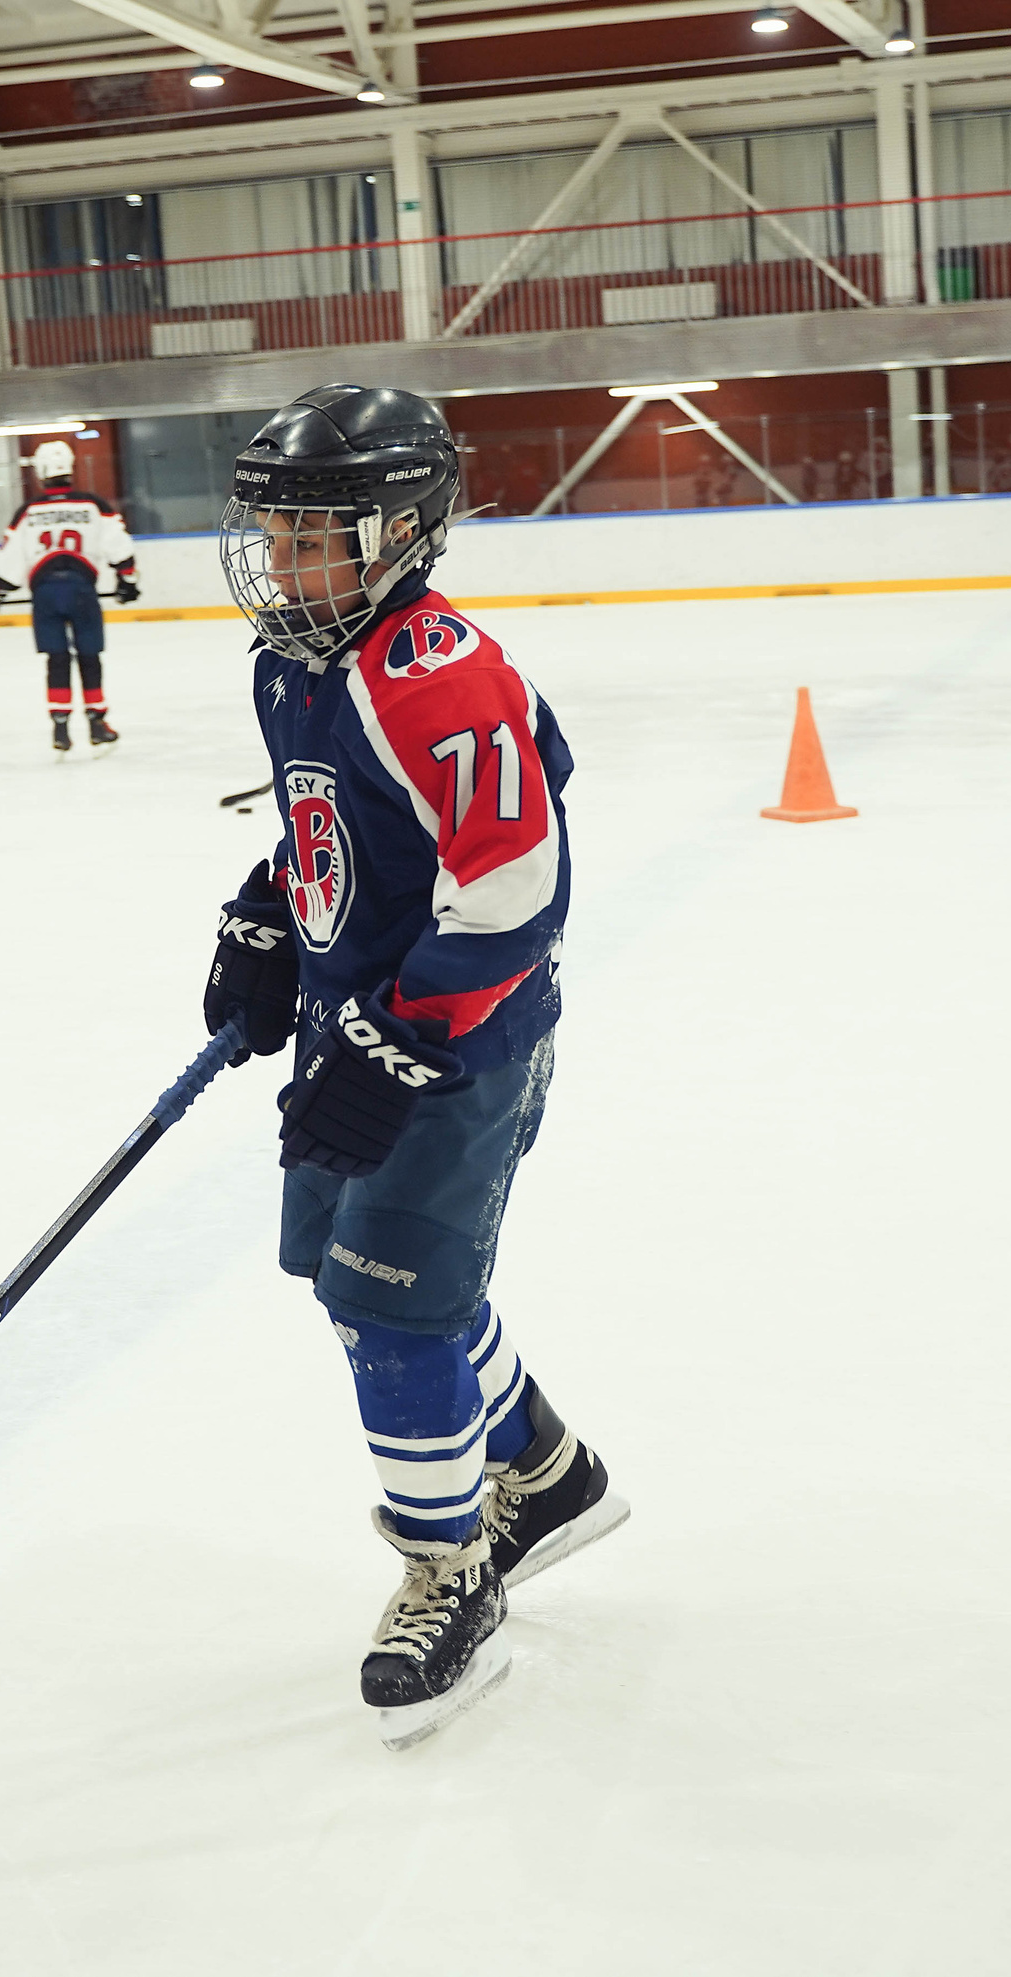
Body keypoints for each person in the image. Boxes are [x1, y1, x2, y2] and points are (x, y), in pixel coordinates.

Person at [201, 383, 625, 1751]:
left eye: (311, 535)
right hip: (359, 1023)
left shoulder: (438, 677)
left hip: (456, 1043)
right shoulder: (292, 660)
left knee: (390, 1305)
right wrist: (273, 916)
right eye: (273, 531)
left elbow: (512, 889)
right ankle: (544, 1473)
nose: (280, 561)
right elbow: (334, 828)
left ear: (397, 533)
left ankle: (450, 1567)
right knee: (363, 1286)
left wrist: (401, 1042)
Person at [0, 439, 137, 752]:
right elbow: (119, 545)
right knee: (89, 656)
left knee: (57, 658)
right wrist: (127, 581)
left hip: (45, 593)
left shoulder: (28, 511)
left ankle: (60, 729)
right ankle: (96, 723)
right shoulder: (93, 505)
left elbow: (11, 560)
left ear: (40, 472)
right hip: (82, 590)